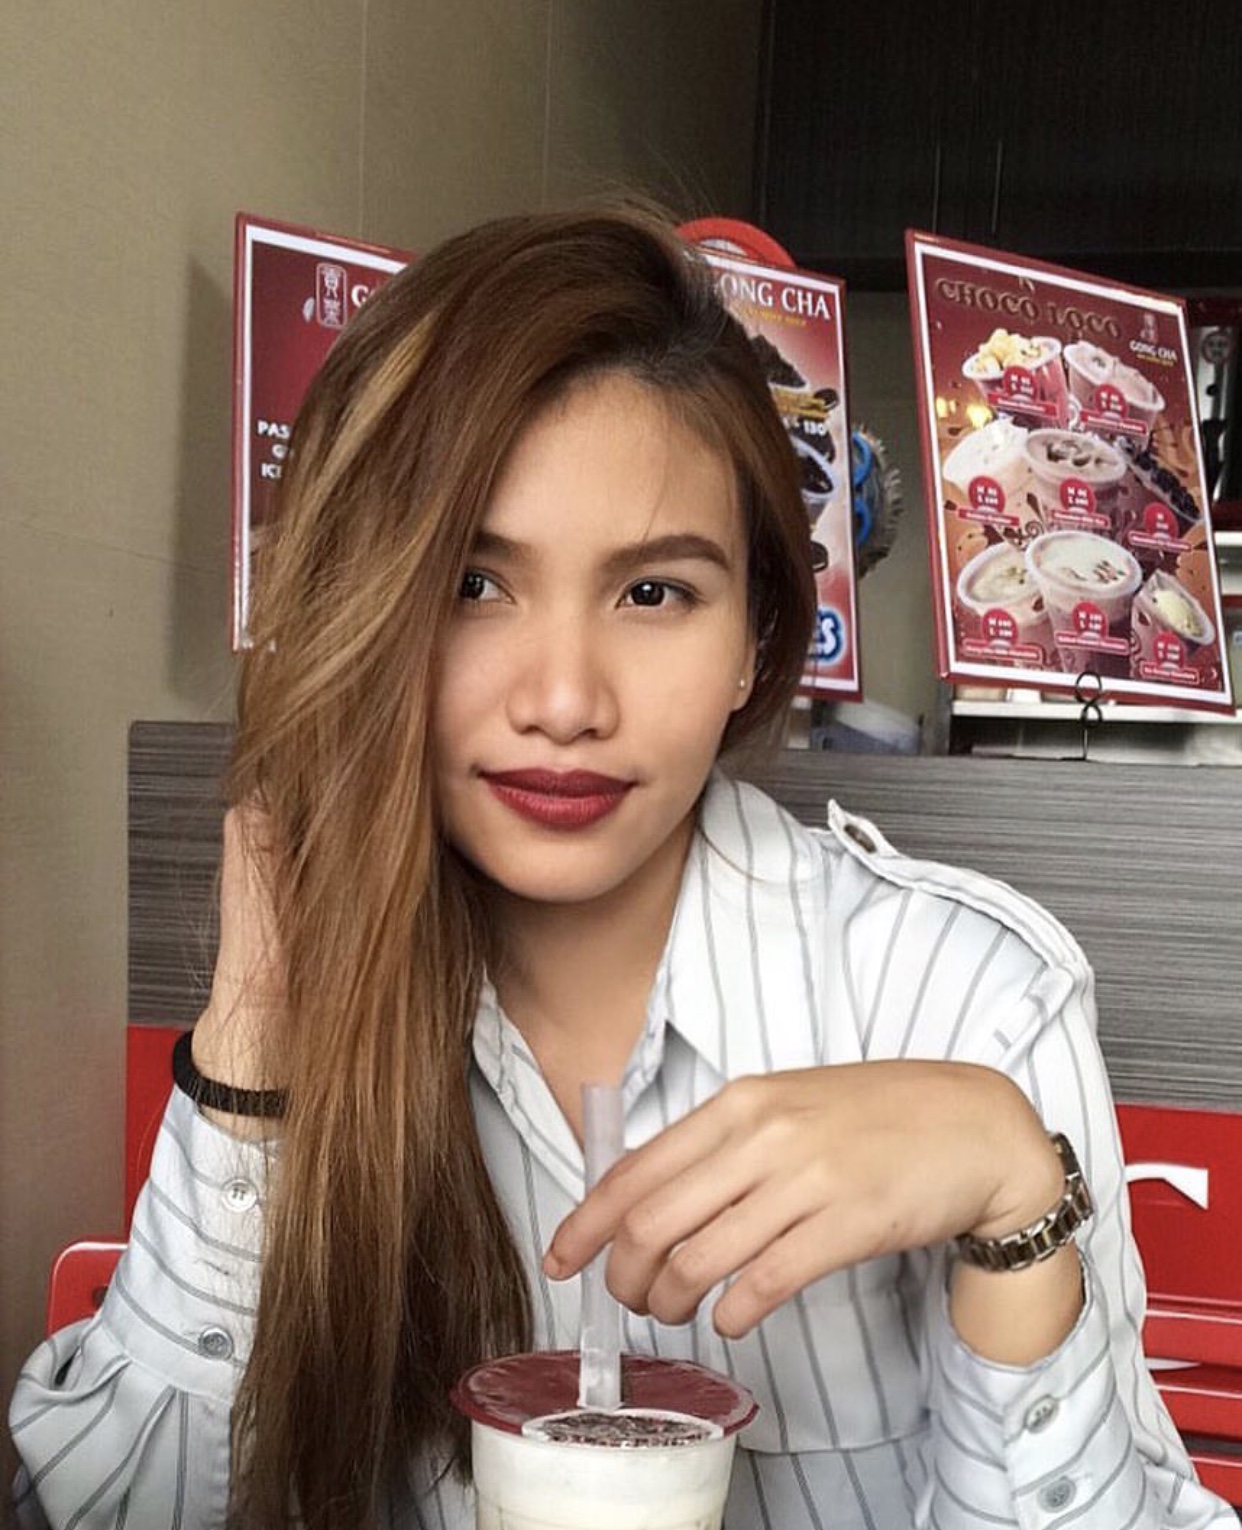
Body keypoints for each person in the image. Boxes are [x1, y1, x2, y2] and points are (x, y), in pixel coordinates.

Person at [9, 204, 1234, 1530]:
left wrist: (1014, 1205)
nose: (564, 700)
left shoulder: (965, 999)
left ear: (757, 639)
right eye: (473, 584)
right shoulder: (329, 986)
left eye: (654, 593)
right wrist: (255, 1052)